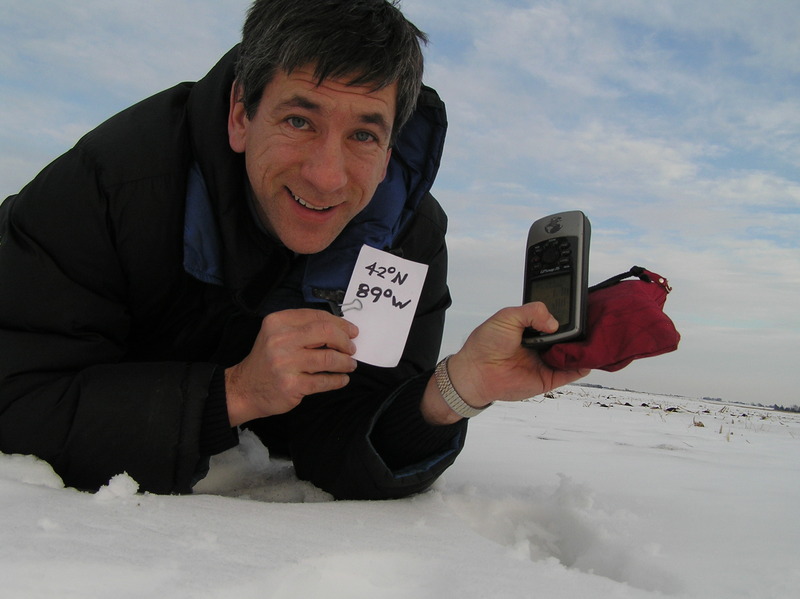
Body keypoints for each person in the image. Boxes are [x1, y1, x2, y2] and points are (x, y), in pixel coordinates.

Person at [0, 0, 587, 499]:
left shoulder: (405, 240)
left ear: (389, 148)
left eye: (363, 133)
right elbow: (18, 400)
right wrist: (234, 393)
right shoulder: (111, 186)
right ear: (240, 115)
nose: (328, 177)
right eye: (300, 120)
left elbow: (338, 435)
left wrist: (455, 390)